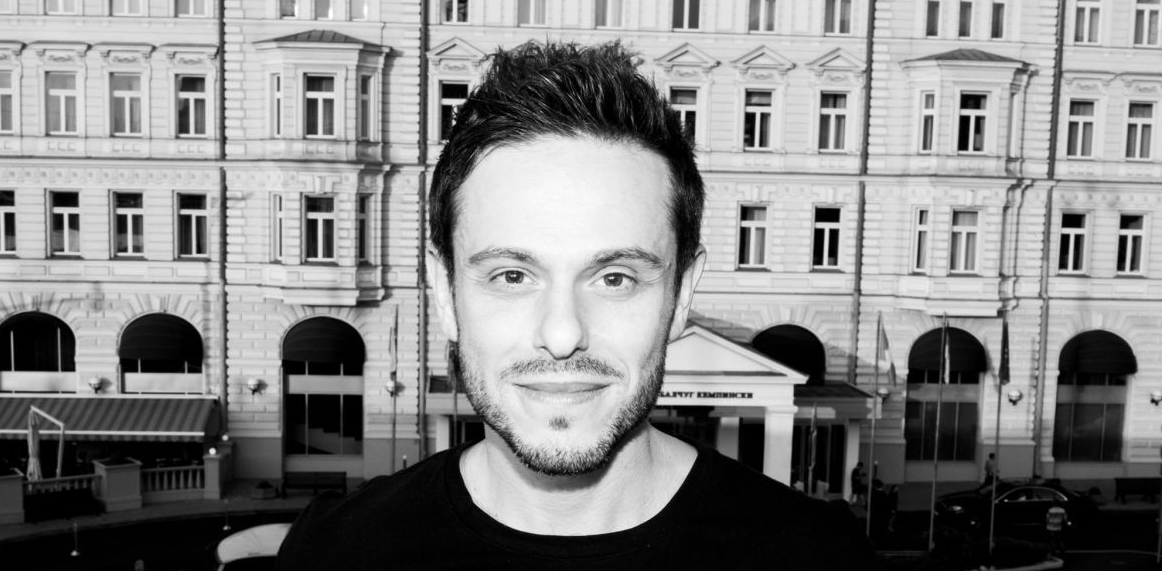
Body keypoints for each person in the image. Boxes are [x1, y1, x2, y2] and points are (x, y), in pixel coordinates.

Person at [276, 41, 874, 570]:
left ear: (682, 295)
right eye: (512, 275)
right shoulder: (334, 553)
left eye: (615, 278)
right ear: (444, 291)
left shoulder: (819, 557)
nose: (562, 334)